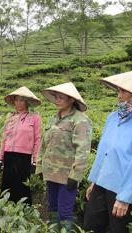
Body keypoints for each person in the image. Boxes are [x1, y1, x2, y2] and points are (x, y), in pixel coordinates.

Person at [83, 69, 132, 233]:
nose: (118, 95)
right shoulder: (113, 118)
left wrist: (125, 198)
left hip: (123, 191)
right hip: (101, 185)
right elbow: (103, 152)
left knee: (117, 230)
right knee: (91, 226)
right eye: (118, 90)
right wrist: (94, 181)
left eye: (123, 90)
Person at [38, 82, 92, 231]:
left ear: (71, 100)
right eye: (56, 97)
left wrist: (75, 176)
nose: (57, 100)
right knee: (53, 208)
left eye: (61, 97)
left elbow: (83, 151)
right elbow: (44, 145)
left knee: (65, 212)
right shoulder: (53, 119)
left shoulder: (80, 120)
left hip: (67, 175)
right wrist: (39, 167)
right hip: (51, 173)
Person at [0, 86, 42, 205]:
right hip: (9, 155)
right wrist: (0, 157)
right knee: (7, 183)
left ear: (27, 101)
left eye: (21, 100)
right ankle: (6, 209)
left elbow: (38, 139)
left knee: (22, 184)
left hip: (24, 156)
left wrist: (35, 160)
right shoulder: (10, 117)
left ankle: (24, 211)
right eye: (16, 100)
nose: (18, 103)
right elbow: (4, 138)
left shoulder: (35, 117)